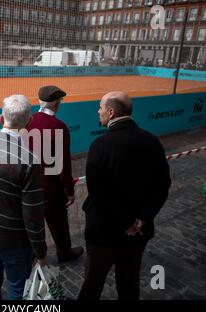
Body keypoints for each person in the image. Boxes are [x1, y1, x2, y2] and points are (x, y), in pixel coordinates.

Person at [78, 91, 171, 300]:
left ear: (111, 113)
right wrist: (142, 219)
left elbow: (98, 194)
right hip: (139, 232)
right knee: (129, 284)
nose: (98, 111)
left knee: (92, 283)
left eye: (100, 107)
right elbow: (162, 185)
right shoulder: (152, 141)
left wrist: (126, 222)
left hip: (104, 232)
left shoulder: (100, 145)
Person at [0, 95, 47, 300]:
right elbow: (33, 216)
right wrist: (41, 252)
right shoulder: (30, 161)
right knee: (17, 287)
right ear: (29, 123)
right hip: (13, 241)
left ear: (0, 119)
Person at [26, 86, 84, 263]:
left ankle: (33, 254)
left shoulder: (27, 121)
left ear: (39, 102)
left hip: (29, 186)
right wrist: (70, 190)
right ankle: (64, 253)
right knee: (58, 224)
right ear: (57, 104)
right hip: (50, 187)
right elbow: (63, 164)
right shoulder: (59, 126)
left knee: (31, 223)